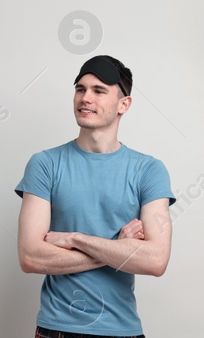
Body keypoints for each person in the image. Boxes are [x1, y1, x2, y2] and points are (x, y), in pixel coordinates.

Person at [15, 55, 171, 338]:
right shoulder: (44, 164)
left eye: (99, 91)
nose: (85, 98)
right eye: (80, 89)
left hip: (123, 330)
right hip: (57, 328)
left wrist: (75, 239)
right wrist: (118, 248)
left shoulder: (149, 170)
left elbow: (155, 260)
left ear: (124, 104)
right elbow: (30, 257)